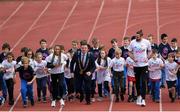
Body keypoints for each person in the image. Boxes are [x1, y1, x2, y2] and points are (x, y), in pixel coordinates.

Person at [128, 30, 152, 106]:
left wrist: (147, 58)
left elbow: (150, 51)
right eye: (136, 36)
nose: (136, 38)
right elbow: (129, 52)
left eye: (138, 36)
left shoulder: (146, 42)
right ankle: (138, 96)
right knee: (137, 82)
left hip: (144, 65)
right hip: (136, 65)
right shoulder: (132, 42)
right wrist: (133, 58)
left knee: (144, 82)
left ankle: (143, 99)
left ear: (141, 36)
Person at [70, 40, 96, 105]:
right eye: (82, 48)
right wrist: (71, 72)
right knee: (78, 87)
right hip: (78, 73)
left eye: (85, 48)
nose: (84, 49)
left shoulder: (91, 55)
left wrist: (90, 72)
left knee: (88, 87)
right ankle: (81, 94)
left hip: (87, 73)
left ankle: (88, 100)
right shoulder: (77, 54)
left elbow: (94, 66)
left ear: (87, 49)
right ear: (80, 48)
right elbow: (72, 63)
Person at [89, 38, 101, 102]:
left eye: (97, 43)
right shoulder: (90, 50)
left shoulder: (100, 50)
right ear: (92, 43)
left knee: (99, 81)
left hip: (99, 68)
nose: (96, 44)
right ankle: (92, 94)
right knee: (92, 81)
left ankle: (100, 94)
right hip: (92, 68)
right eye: (94, 43)